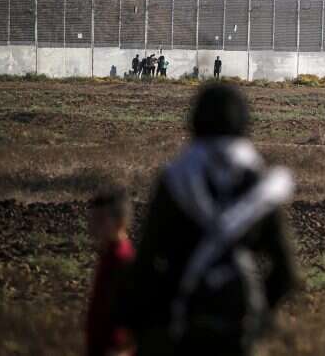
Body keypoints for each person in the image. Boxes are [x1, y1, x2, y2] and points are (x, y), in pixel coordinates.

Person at [124, 84, 297, 355]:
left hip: (184, 323)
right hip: (238, 327)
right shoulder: (261, 186)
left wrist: (147, 323)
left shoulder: (175, 180)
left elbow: (147, 261)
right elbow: (286, 272)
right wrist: (258, 314)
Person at [87, 187, 135, 356]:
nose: (93, 226)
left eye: (100, 220)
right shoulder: (108, 254)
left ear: (120, 221)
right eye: (93, 219)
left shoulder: (123, 259)